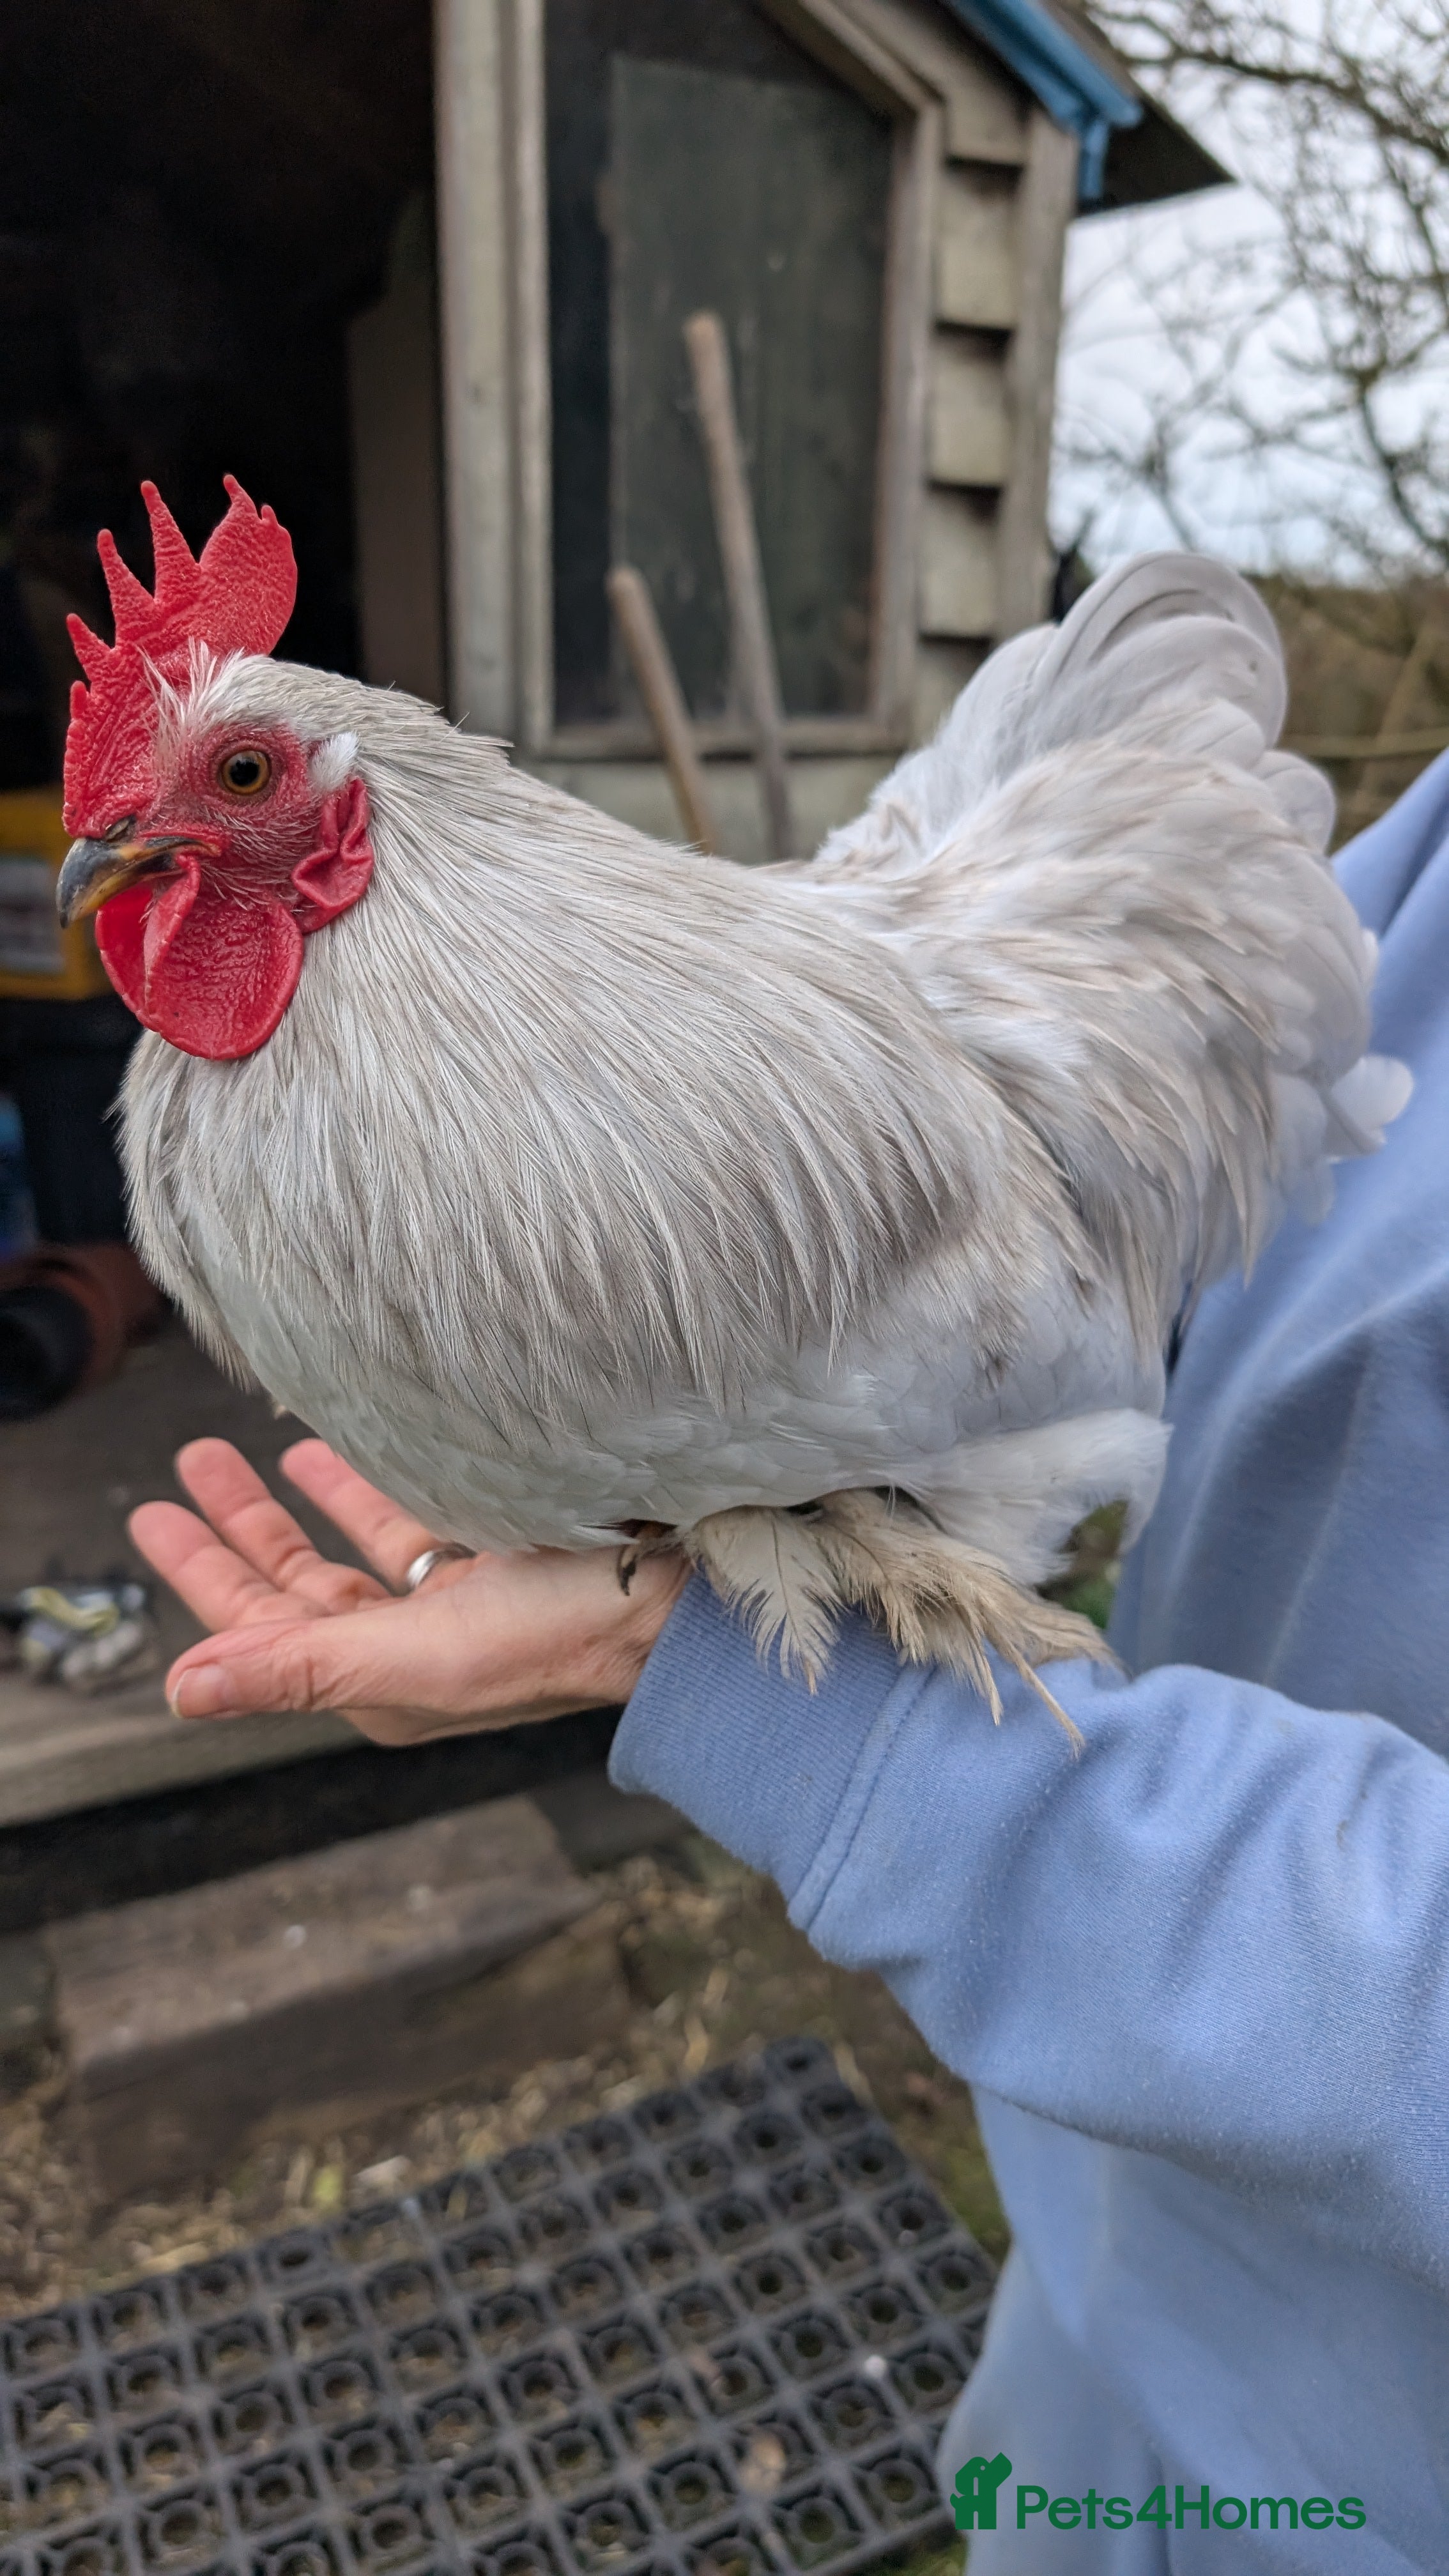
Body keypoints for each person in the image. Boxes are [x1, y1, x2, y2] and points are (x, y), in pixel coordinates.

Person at [129, 758, 1449, 2572]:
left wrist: (776, 1702)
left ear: (353, 812)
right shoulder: (1417, 864)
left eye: (245, 775)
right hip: (1102, 2246)